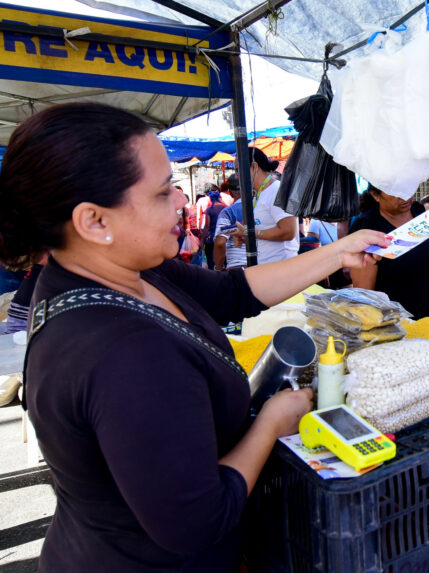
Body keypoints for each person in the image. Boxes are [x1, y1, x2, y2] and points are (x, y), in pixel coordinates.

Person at [0, 102, 388, 571]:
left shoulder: (116, 272)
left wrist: (338, 253)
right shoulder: (125, 353)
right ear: (94, 221)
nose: (182, 202)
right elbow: (196, 521)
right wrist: (269, 424)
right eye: (162, 192)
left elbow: (233, 293)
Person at [349, 186, 429, 319]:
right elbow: (364, 294)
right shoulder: (367, 226)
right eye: (395, 191)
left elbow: (426, 264)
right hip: (394, 320)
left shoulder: (418, 211)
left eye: (407, 186)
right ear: (375, 195)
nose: (404, 196)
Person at [235, 148, 298, 264]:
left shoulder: (277, 190)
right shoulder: (259, 194)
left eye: (238, 170)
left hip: (282, 266)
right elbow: (265, 230)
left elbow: (289, 231)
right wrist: (245, 237)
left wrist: (251, 233)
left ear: (254, 166)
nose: (237, 176)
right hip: (267, 265)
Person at [213, 174, 246, 271]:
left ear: (230, 193)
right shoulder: (260, 207)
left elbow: (220, 242)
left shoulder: (228, 212)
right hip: (262, 266)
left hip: (237, 266)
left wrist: (218, 268)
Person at [202, 189, 227, 270]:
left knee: (211, 260)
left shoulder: (209, 210)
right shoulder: (225, 208)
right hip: (224, 237)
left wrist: (202, 240)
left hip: (212, 239)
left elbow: (207, 225)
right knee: (224, 260)